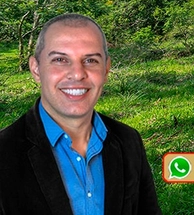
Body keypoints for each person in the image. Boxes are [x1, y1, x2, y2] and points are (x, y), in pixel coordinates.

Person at [0, 13, 162, 215]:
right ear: (36, 69)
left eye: (91, 60)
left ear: (106, 70)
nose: (77, 74)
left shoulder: (129, 141)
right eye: (60, 59)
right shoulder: (4, 152)